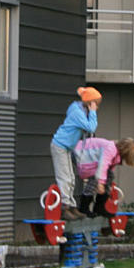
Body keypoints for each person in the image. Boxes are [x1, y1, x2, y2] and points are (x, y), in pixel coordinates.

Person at [50, 87, 99, 218]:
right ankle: (64, 207)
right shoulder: (77, 112)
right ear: (90, 102)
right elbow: (91, 127)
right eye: (96, 103)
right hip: (60, 145)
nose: (97, 107)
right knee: (64, 177)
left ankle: (71, 205)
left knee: (71, 177)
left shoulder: (81, 110)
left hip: (67, 147)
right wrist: (93, 112)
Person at [72, 136, 134, 215]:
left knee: (107, 177)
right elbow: (103, 165)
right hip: (81, 153)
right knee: (95, 180)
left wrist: (106, 184)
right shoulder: (111, 148)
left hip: (87, 156)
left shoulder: (116, 153)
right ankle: (84, 207)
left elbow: (108, 171)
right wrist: (100, 183)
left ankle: (99, 207)